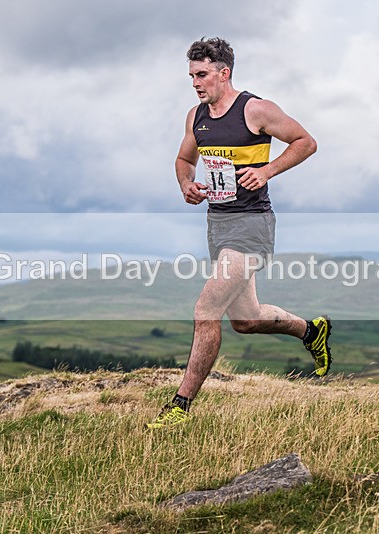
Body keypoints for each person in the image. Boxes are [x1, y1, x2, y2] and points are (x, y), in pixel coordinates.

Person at [147, 37, 331, 429]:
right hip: (218, 224)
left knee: (205, 310)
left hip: (252, 225)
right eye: (192, 76)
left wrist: (267, 170)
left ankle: (179, 406)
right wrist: (186, 184)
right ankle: (311, 331)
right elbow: (184, 159)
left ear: (223, 72)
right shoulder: (196, 117)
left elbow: (306, 142)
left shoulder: (256, 110)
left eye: (202, 75)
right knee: (245, 319)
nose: (196, 83)